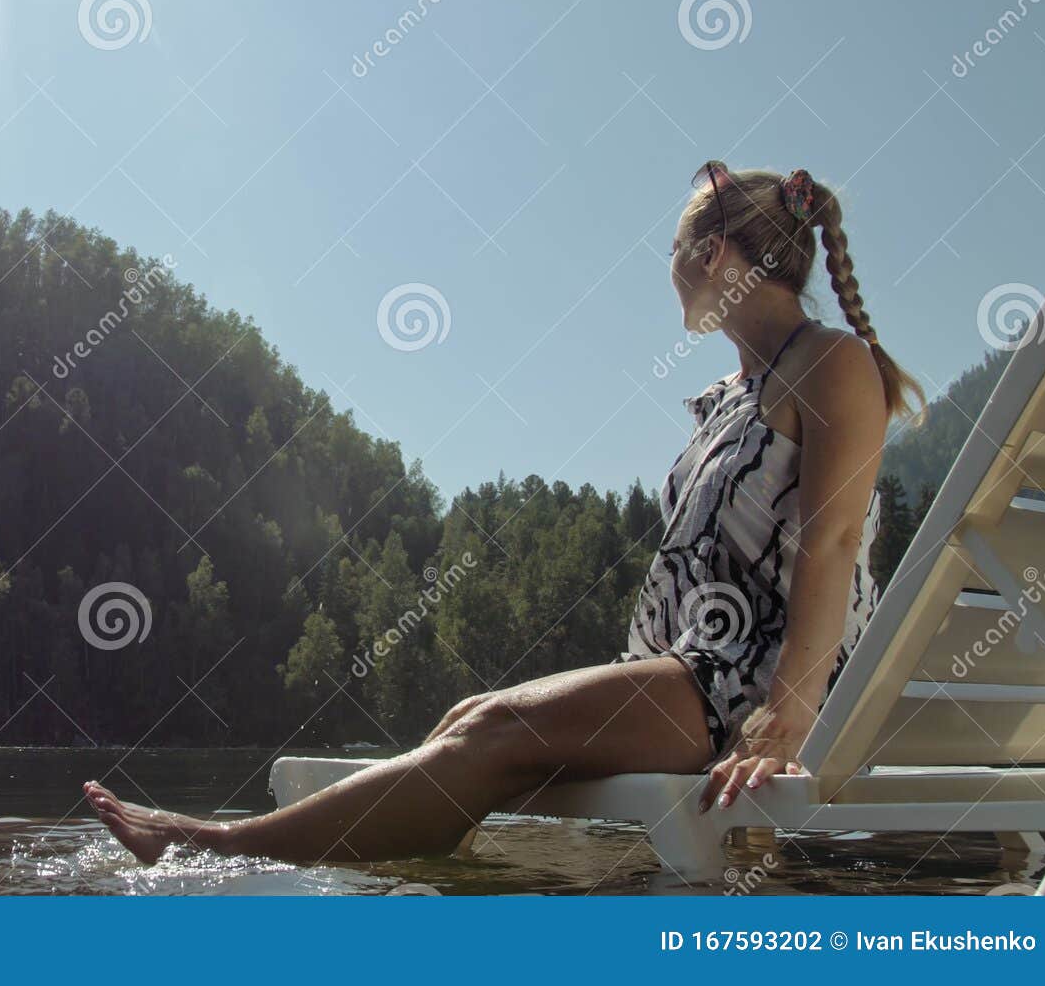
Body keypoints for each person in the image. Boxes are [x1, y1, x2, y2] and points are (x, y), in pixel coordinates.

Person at [84, 163, 923, 865]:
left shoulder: (832, 362)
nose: (665, 267)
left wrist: (792, 713)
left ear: (710, 255)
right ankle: (371, 865)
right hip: (703, 669)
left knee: (488, 728)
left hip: (763, 680)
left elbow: (837, 539)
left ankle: (220, 848)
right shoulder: (738, 396)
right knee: (469, 726)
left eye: (671, 251)